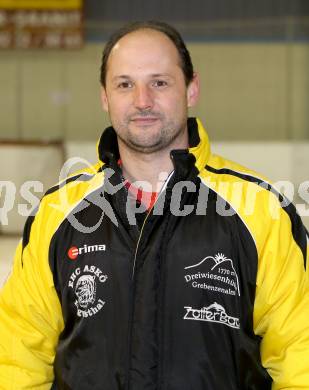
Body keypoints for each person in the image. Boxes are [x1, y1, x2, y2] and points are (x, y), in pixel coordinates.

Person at [0, 20, 309, 390]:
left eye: (159, 82)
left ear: (191, 88)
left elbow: (299, 357)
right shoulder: (57, 214)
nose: (142, 100)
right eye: (125, 84)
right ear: (104, 96)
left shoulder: (261, 211)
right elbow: (17, 361)